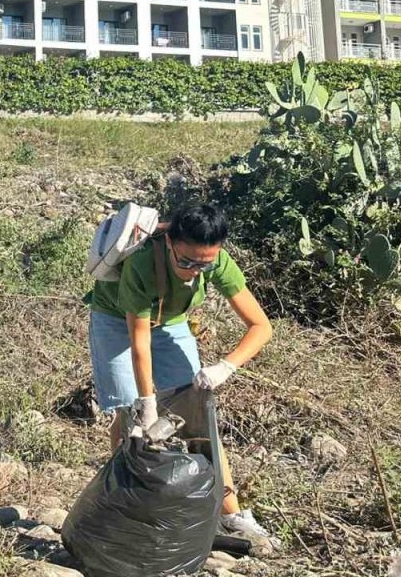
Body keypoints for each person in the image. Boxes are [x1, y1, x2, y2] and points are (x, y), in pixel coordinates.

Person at [85, 203, 276, 548]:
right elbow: (139, 343)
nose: (193, 272)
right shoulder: (143, 261)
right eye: (186, 262)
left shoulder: (217, 262)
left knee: (197, 415)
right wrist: (147, 403)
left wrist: (226, 366)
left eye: (204, 265)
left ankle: (232, 514)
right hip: (116, 319)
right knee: (130, 416)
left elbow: (261, 326)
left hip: (170, 323)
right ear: (169, 243)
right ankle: (122, 504)